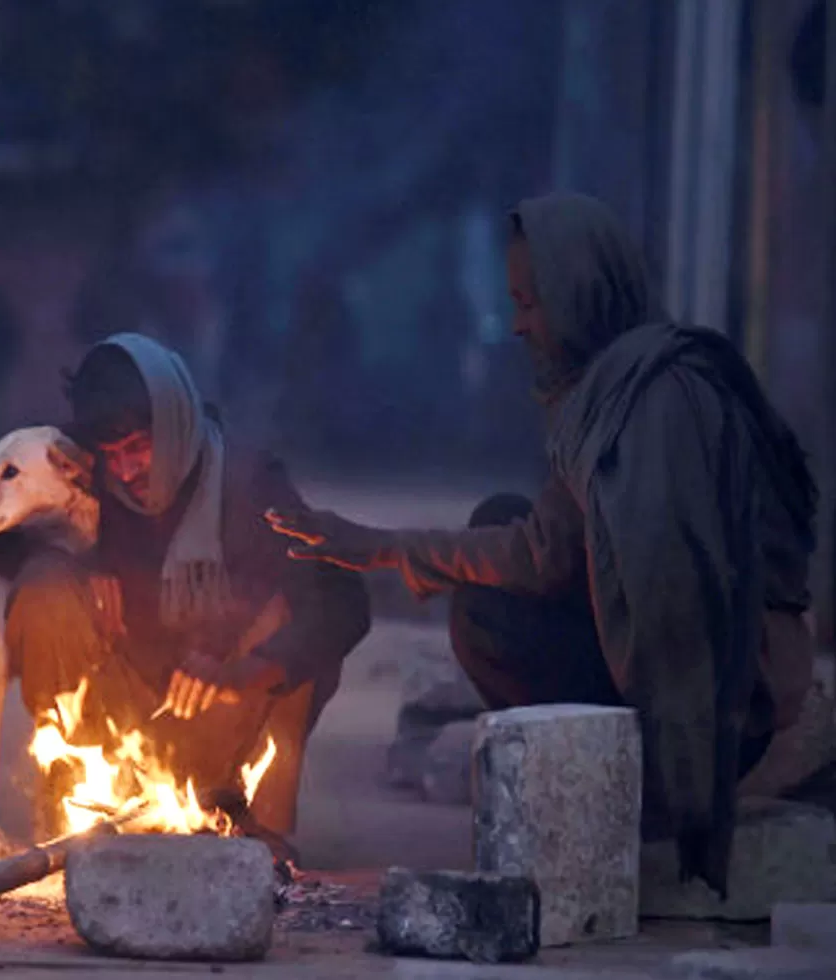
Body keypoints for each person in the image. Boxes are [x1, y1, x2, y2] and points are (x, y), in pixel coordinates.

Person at [268, 192, 817, 897]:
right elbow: (540, 549)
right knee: (494, 524)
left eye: (532, 303)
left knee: (486, 612)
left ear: (582, 293)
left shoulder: (657, 404)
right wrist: (375, 546)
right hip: (674, 667)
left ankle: (632, 795)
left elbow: (678, 607)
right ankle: (612, 777)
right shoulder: (607, 395)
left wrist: (686, 757)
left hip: (727, 699)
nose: (519, 326)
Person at [4, 332, 373, 844]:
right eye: (112, 454)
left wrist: (242, 669)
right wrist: (71, 556)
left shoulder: (247, 483)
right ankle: (76, 807)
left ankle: (260, 838)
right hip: (121, 725)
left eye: (138, 448)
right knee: (45, 586)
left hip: (224, 721)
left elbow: (342, 599)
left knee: (291, 615)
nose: (126, 470)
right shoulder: (82, 472)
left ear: (173, 425)